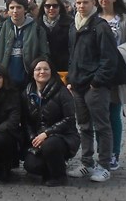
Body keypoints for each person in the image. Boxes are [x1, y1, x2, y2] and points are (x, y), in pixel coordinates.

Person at [66, 0, 119, 183]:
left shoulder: (101, 27)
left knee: (102, 126)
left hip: (95, 86)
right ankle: (86, 163)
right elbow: (73, 55)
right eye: (78, 2)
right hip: (78, 85)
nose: (81, 6)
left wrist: (96, 82)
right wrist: (71, 79)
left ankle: (104, 165)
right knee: (84, 126)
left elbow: (109, 59)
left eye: (85, 2)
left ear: (93, 3)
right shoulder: (74, 26)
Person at [96, 0, 126, 171]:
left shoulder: (124, 19)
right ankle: (102, 153)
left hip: (115, 73)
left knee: (113, 115)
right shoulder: (92, 17)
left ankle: (114, 155)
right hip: (95, 73)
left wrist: (115, 53)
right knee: (98, 116)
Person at [21, 58, 80, 187]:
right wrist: (33, 139)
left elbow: (69, 119)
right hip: (39, 137)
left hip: (63, 137)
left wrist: (47, 133)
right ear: (32, 72)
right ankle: (51, 167)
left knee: (50, 144)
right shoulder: (26, 93)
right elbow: (26, 121)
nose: (42, 72)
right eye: (38, 69)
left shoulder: (62, 91)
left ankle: (59, 176)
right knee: (31, 165)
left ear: (51, 72)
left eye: (46, 69)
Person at [0, 0, 50, 90]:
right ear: (8, 10)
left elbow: (44, 54)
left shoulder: (37, 29)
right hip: (5, 82)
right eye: (12, 8)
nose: (15, 11)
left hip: (28, 81)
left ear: (25, 9)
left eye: (19, 7)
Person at [34, 0, 72, 80]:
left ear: (60, 7)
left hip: (64, 69)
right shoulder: (36, 25)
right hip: (43, 69)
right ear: (43, 7)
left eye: (55, 6)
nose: (51, 8)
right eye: (48, 6)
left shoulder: (70, 23)